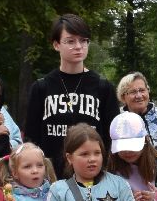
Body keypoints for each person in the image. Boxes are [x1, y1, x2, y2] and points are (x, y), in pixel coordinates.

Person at [25, 14, 120, 168]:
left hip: (93, 177)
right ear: (56, 45)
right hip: (51, 177)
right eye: (70, 41)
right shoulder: (41, 87)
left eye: (83, 40)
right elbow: (31, 138)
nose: (78, 46)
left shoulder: (103, 87)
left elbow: (112, 138)